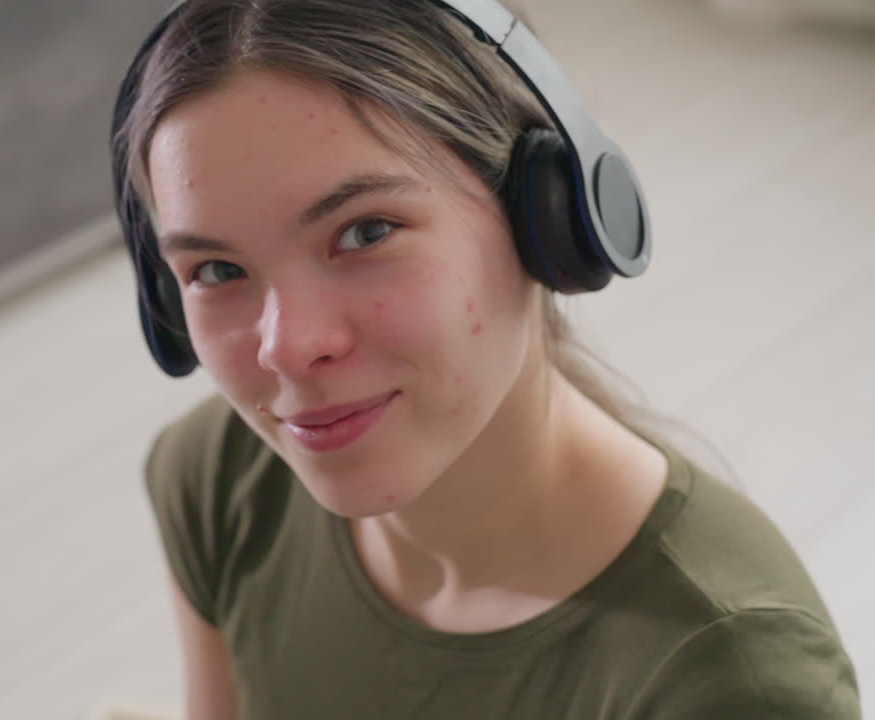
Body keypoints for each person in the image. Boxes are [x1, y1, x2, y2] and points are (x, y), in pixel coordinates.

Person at [109, 1, 861, 718]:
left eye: (366, 231)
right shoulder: (216, 475)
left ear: (550, 220)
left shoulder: (735, 677)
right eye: (215, 271)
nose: (287, 347)